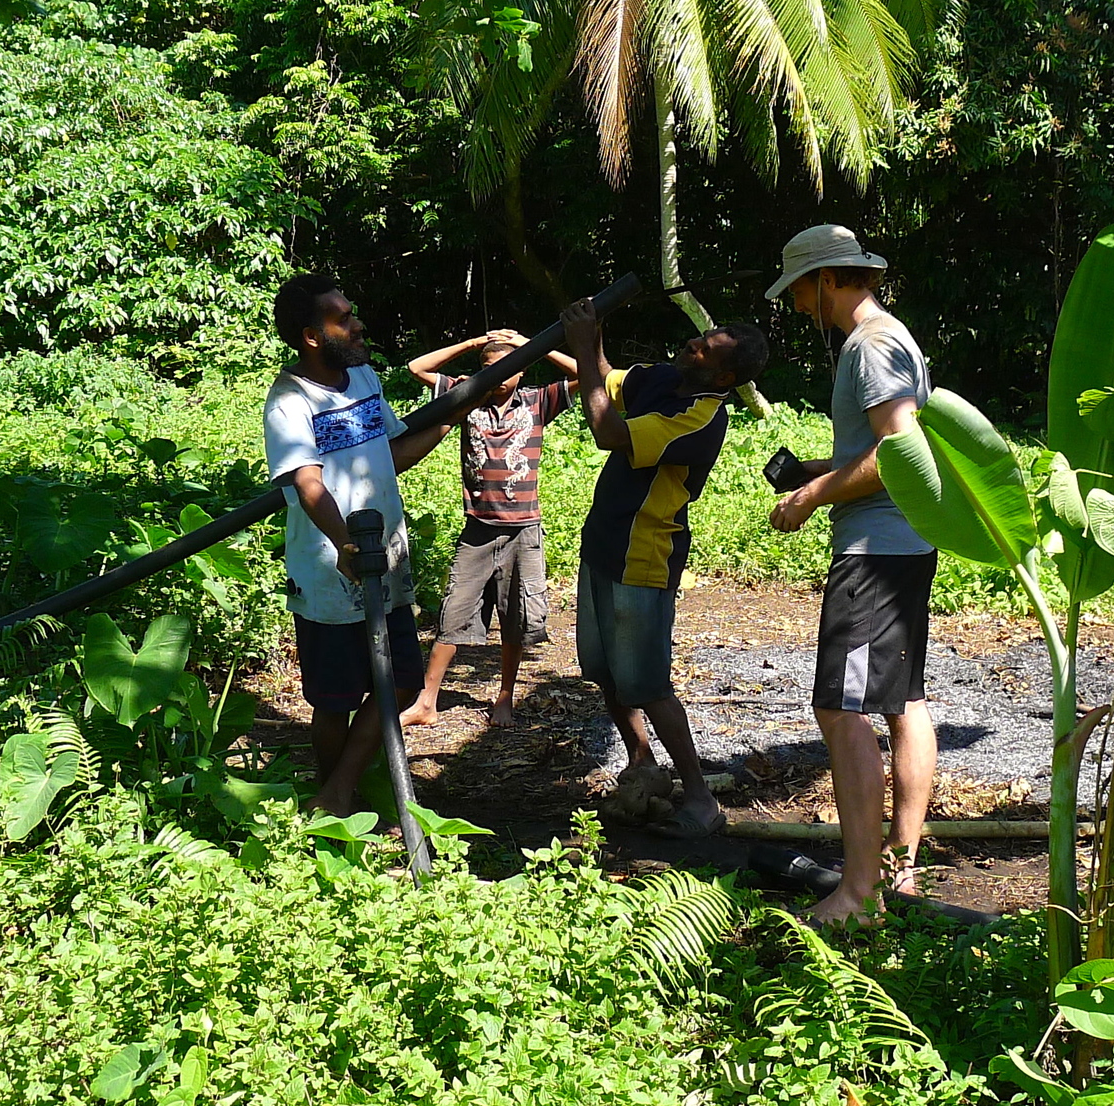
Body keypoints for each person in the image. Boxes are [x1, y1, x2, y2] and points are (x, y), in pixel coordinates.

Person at [762, 225, 939, 926]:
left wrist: (811, 497)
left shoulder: (868, 345)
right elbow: (880, 447)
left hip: (875, 551)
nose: (800, 304)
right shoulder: (893, 337)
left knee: (841, 708)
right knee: (903, 702)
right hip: (907, 541)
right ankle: (898, 871)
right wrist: (817, 471)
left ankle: (859, 894)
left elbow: (900, 446)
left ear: (828, 280)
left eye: (801, 290)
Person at [561, 294, 771, 837]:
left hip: (643, 557)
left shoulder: (701, 419)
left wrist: (582, 345)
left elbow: (609, 432)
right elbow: (606, 378)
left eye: (704, 350)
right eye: (700, 339)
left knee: (649, 684)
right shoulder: (662, 378)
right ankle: (641, 762)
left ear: (724, 377)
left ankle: (700, 799)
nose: (692, 345)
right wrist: (590, 342)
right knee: (603, 670)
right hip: (602, 544)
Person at [263, 274, 453, 817]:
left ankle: (337, 790)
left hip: (385, 561)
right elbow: (308, 484)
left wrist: (451, 419)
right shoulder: (289, 400)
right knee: (335, 698)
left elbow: (388, 456)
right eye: (342, 318)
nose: (357, 323)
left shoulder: (364, 377)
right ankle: (336, 796)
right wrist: (345, 546)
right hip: (330, 570)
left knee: (401, 680)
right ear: (312, 337)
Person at [398, 326, 579, 728]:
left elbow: (588, 372)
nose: (499, 379)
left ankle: (505, 698)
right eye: (490, 370)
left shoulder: (536, 402)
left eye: (508, 369)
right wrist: (472, 344)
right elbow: (416, 367)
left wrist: (529, 346)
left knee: (514, 617)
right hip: (477, 529)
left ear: (521, 371)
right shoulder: (469, 399)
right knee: (452, 614)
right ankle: (427, 701)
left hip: (523, 530)